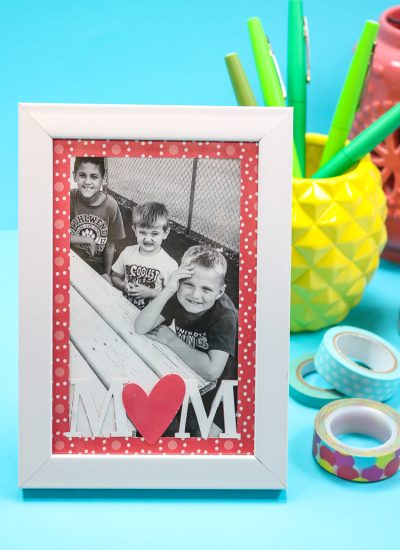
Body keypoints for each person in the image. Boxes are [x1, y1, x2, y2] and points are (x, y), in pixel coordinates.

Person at [135, 244, 238, 435]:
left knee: (206, 439)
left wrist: (172, 340)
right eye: (188, 284)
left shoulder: (225, 316)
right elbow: (141, 327)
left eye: (206, 289)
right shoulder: (176, 296)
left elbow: (213, 370)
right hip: (196, 373)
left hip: (231, 384)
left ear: (220, 292)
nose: (195, 295)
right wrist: (168, 290)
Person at [111, 202, 178, 310]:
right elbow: (115, 277)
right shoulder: (128, 252)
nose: (147, 239)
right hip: (124, 308)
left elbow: (173, 297)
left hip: (150, 317)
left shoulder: (169, 264)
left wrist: (150, 293)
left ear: (165, 233)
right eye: (142, 232)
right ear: (134, 230)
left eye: (154, 234)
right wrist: (123, 286)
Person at [70, 157, 125, 280]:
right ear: (74, 176)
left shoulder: (111, 205)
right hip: (71, 258)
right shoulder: (69, 198)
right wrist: (87, 240)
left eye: (94, 177)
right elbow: (56, 236)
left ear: (103, 179)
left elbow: (110, 245)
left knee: (108, 288)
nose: (87, 182)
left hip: (95, 264)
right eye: (82, 175)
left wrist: (107, 273)